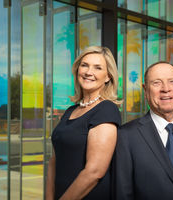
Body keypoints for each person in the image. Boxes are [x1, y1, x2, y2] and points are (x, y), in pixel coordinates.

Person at [113, 61, 173, 200]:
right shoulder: (126, 137)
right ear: (145, 90)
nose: (166, 89)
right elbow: (123, 194)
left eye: (172, 81)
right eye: (156, 83)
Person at [46, 46, 121, 200]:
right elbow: (54, 160)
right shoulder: (70, 111)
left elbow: (94, 172)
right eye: (84, 65)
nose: (88, 72)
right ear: (77, 70)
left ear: (108, 77)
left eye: (98, 68)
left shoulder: (106, 110)